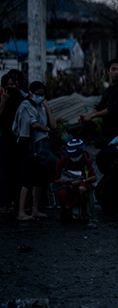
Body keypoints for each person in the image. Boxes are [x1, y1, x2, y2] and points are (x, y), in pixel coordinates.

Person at [13, 81, 57, 221]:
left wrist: (47, 107)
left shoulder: (41, 107)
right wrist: (46, 129)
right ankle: (21, 211)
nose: (40, 97)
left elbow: (53, 124)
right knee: (28, 177)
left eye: (42, 95)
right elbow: (33, 124)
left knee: (40, 177)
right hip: (28, 144)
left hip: (41, 144)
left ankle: (35, 209)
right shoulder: (25, 106)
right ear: (31, 93)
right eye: (38, 94)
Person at [78, 58, 118, 142]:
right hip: (108, 133)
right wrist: (87, 116)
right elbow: (100, 106)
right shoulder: (108, 90)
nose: (116, 72)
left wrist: (93, 116)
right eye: (113, 69)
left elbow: (113, 109)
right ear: (108, 71)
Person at [0, 70, 27, 213]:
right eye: (8, 85)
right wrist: (3, 100)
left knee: (16, 172)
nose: (11, 87)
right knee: (4, 172)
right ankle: (3, 202)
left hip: (17, 140)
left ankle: (15, 202)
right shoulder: (2, 99)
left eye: (13, 84)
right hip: (4, 139)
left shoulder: (20, 99)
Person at [53, 139, 96, 222]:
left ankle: (84, 211)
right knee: (61, 192)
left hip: (81, 185)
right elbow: (55, 180)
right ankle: (64, 211)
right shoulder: (63, 162)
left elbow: (93, 177)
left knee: (82, 189)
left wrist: (82, 181)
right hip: (67, 187)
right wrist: (60, 181)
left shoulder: (85, 161)